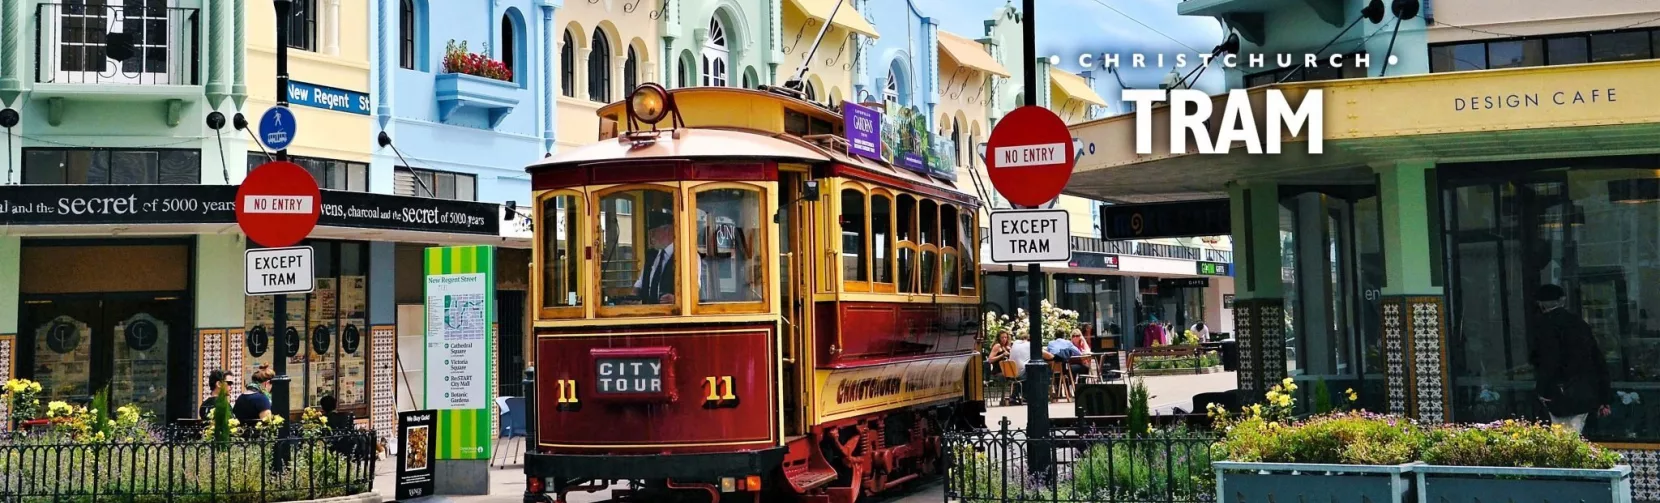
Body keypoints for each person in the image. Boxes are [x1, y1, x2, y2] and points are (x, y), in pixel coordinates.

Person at [1530, 284, 1613, 434]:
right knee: (1574, 438)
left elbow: (1547, 362)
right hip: (1584, 394)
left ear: (1540, 303)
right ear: (1562, 300)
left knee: (1560, 442)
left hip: (1556, 396)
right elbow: (1598, 361)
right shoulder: (1579, 324)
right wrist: (1604, 397)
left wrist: (1543, 391)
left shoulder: (1544, 326)